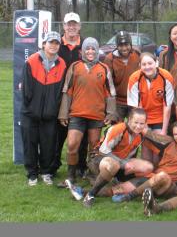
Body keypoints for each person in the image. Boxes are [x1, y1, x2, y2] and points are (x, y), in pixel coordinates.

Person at [58, 37, 118, 185]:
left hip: (96, 115)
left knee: (94, 147)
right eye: (87, 49)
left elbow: (111, 93)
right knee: (72, 145)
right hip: (77, 114)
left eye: (93, 49)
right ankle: (71, 176)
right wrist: (63, 113)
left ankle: (92, 174)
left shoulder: (104, 68)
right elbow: (67, 91)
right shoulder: (75, 66)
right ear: (82, 51)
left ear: (97, 51)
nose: (90, 51)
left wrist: (110, 113)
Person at [66, 108, 153, 207]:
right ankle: (91, 194)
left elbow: (130, 156)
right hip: (99, 159)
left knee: (147, 168)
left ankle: (82, 191)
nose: (138, 126)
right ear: (129, 120)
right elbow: (103, 152)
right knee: (113, 165)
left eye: (142, 123)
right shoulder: (118, 129)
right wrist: (125, 164)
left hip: (120, 163)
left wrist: (134, 165)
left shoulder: (141, 135)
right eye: (136, 122)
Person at [21, 31, 67, 186]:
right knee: (30, 144)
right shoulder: (32, 61)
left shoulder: (62, 64)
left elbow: (61, 90)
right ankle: (32, 174)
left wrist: (54, 109)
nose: (53, 46)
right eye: (50, 42)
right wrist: (31, 109)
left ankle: (46, 172)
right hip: (30, 113)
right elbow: (26, 89)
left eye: (56, 43)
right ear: (43, 44)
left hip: (50, 114)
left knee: (48, 145)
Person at [111, 121, 177, 203]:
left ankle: (129, 196)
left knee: (163, 176)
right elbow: (151, 136)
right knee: (118, 189)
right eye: (176, 134)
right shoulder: (169, 143)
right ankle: (98, 191)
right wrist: (135, 124)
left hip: (171, 186)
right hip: (153, 179)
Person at [53, 12, 87, 179]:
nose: (72, 27)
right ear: (64, 26)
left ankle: (80, 167)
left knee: (82, 134)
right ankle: (52, 166)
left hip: (82, 96)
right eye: (69, 24)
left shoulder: (86, 45)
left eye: (75, 24)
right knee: (58, 134)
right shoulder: (55, 44)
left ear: (79, 26)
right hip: (59, 95)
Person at [127, 52, 174, 164]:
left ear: (156, 62)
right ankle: (146, 175)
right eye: (144, 64)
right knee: (146, 149)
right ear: (140, 66)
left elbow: (167, 106)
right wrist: (145, 129)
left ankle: (157, 175)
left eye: (150, 63)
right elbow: (138, 108)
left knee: (157, 149)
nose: (147, 67)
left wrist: (163, 130)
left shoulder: (166, 77)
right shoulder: (134, 78)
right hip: (142, 118)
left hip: (160, 117)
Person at [104, 31, 140, 120]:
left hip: (134, 99)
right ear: (117, 46)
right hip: (118, 101)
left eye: (126, 44)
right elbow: (107, 83)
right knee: (117, 129)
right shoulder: (110, 58)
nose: (124, 48)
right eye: (121, 45)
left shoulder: (137, 55)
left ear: (131, 44)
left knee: (135, 128)